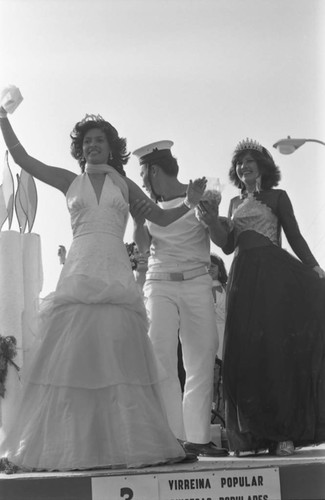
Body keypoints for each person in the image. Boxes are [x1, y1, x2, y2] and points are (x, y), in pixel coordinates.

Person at [0, 105, 207, 471]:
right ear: (80, 150)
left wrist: (189, 202)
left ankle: (133, 445)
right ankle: (56, 449)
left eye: (99, 140)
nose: (92, 145)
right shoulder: (69, 181)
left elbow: (159, 217)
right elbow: (22, 158)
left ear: (112, 148)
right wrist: (3, 119)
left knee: (120, 361)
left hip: (114, 275)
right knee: (71, 364)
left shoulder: (123, 185)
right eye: (86, 142)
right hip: (79, 273)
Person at [203, 138, 325, 457]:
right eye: (239, 163)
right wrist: (212, 219)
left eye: (250, 162)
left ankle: (283, 434)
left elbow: (295, 236)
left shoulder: (277, 197)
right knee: (245, 356)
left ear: (263, 168)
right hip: (242, 278)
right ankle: (253, 437)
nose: (244, 166)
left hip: (273, 277)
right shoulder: (231, 203)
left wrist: (315, 269)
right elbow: (227, 246)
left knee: (275, 354)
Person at [131, 140, 228, 457]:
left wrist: (212, 218)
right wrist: (136, 220)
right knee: (161, 359)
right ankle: (173, 439)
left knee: (201, 358)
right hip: (159, 285)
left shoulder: (205, 191)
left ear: (153, 169)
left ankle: (198, 438)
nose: (142, 181)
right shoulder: (147, 204)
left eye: (143, 174)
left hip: (197, 281)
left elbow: (220, 240)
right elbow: (144, 248)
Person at [209, 253, 227, 360]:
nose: (209, 269)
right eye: (207, 266)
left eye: (212, 266)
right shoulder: (199, 290)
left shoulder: (227, 289)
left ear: (219, 269)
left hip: (224, 334)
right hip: (206, 333)